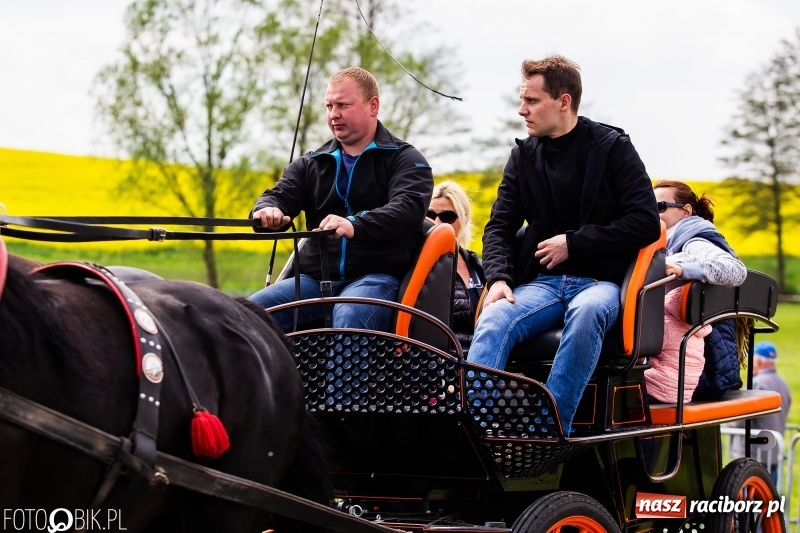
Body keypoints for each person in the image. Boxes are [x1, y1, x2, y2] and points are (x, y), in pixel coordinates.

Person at [466, 55, 661, 436]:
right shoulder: (523, 156)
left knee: (587, 314)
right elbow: (499, 227)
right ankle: (477, 433)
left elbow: (645, 222)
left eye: (532, 101)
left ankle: (549, 431)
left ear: (564, 101)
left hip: (599, 284)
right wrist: (500, 278)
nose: (522, 110)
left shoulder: (612, 147)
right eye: (522, 100)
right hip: (542, 285)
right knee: (493, 317)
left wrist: (574, 243)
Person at [249, 67, 433, 331]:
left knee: (350, 315)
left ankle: (344, 375)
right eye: (329, 106)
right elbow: (279, 196)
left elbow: (407, 210)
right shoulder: (310, 163)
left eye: (343, 105)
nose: (334, 114)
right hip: (314, 281)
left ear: (373, 106)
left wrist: (354, 224)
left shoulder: (406, 160)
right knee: (247, 313)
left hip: (377, 280)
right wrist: (267, 211)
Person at [645, 180, 747, 404]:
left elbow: (735, 271)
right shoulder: (664, 243)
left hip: (705, 367)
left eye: (660, 206)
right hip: (683, 358)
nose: (653, 213)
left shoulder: (694, 239)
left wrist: (682, 269)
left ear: (685, 211)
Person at [427, 181, 485, 350]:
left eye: (447, 217)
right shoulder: (413, 263)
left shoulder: (478, 266)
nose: (437, 222)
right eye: (430, 214)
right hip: (438, 362)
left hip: (479, 359)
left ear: (464, 219)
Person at [730, 341, 792, 483]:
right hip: (774, 455)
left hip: (753, 456)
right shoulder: (782, 383)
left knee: (748, 503)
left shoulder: (756, 384)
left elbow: (740, 420)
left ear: (757, 361)